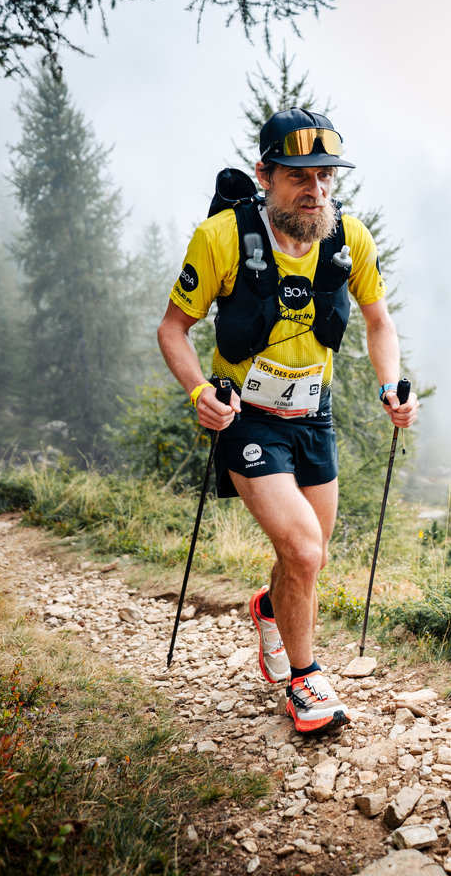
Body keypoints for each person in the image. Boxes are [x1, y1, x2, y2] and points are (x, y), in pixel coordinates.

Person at [157, 107, 418, 734]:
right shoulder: (221, 239)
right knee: (303, 549)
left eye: (326, 176)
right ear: (265, 174)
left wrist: (391, 384)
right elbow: (173, 329)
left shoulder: (348, 240)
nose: (316, 190)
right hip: (247, 418)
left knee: (308, 556)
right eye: (300, 175)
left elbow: (379, 323)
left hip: (313, 417)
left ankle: (271, 611)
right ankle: (306, 684)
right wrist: (199, 394)